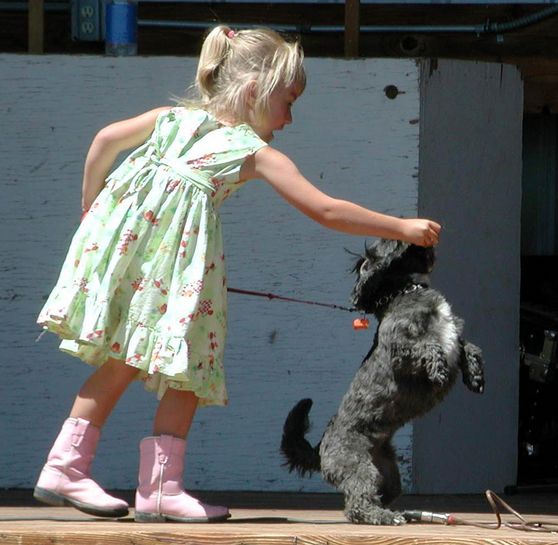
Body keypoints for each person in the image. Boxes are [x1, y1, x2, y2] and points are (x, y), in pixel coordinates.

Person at [34, 25, 442, 523]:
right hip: (178, 277)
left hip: (133, 268)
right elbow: (326, 209)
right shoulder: (251, 151)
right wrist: (400, 225)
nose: (290, 117)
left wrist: (92, 209)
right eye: (288, 101)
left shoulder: (170, 119)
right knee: (187, 364)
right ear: (255, 90)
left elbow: (103, 141)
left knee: (124, 360)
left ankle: (67, 467)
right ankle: (158, 487)